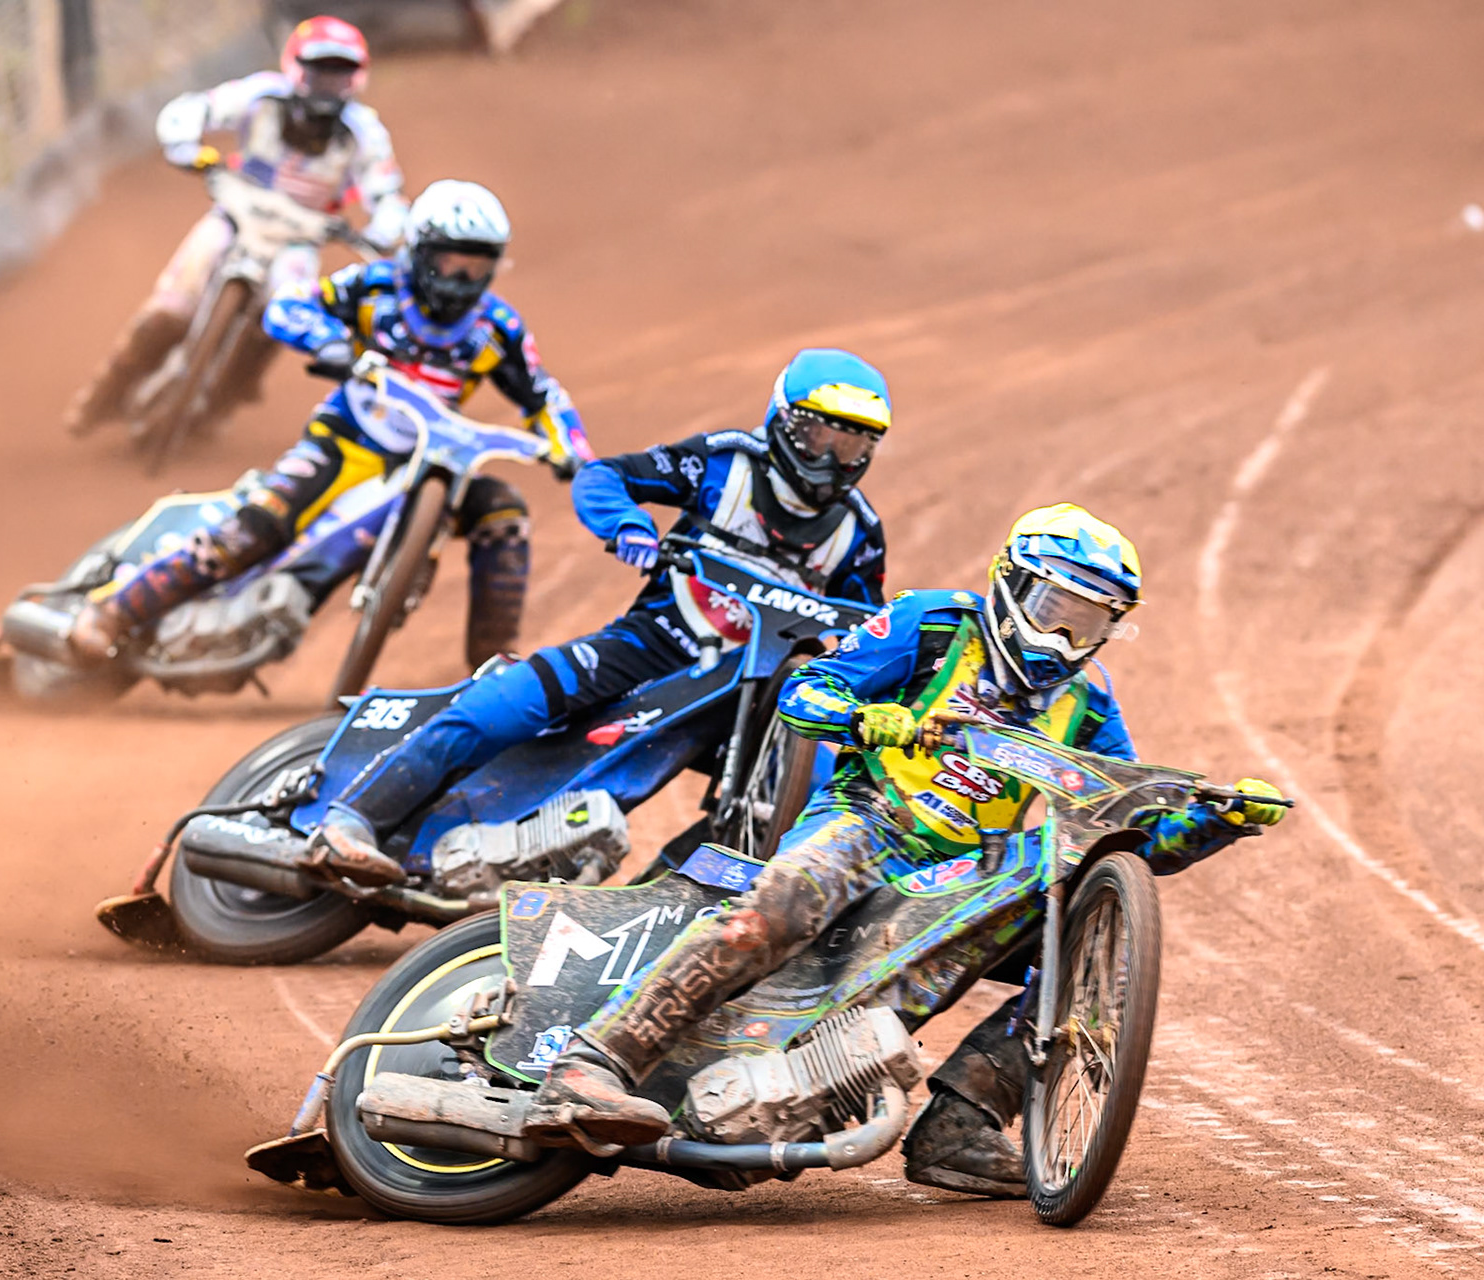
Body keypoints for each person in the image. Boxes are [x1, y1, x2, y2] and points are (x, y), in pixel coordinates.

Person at [524, 502, 1290, 1198]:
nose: (1064, 639)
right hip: (867, 817)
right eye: (1055, 610)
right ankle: (594, 1062)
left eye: (1090, 624)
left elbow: (1120, 827)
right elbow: (804, 692)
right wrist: (864, 718)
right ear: (1013, 585)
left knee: (1082, 959)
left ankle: (960, 1124)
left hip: (963, 870)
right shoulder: (932, 625)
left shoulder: (1088, 703)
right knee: (780, 906)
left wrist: (1215, 822)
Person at [308, 347, 893, 887]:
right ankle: (353, 818)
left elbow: (865, 633)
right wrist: (627, 524)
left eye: (853, 447)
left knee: (815, 785)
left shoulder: (859, 534)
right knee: (514, 700)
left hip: (749, 695)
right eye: (821, 437)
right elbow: (606, 475)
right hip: (653, 643)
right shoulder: (723, 463)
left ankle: (664, 907)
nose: (832, 460)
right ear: (783, 421)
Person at [66, 179, 591, 666]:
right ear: (419, 251)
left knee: (504, 514)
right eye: (451, 263)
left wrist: (572, 449)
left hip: (435, 461)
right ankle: (113, 612)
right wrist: (330, 342)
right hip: (344, 443)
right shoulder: (376, 287)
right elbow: (289, 305)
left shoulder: (497, 327)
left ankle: (495, 667)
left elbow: (542, 393)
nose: (460, 281)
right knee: (255, 529)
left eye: (476, 268)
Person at [64, 16, 408, 436]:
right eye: (320, 72)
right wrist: (184, 145)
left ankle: (232, 389)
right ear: (296, 67)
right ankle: (106, 391)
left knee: (286, 307)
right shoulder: (261, 96)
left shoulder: (364, 132)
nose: (327, 84)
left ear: (356, 78)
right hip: (236, 215)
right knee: (171, 305)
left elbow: (386, 192)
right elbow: (197, 109)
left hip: (298, 239)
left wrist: (384, 230)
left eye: (339, 74)